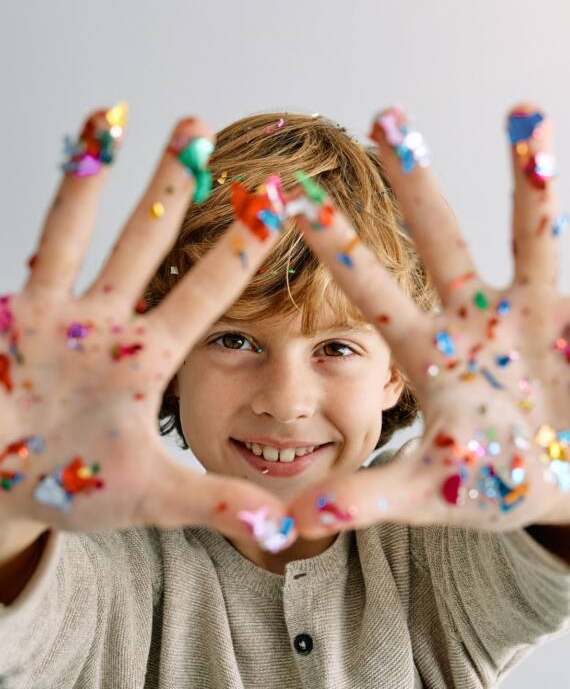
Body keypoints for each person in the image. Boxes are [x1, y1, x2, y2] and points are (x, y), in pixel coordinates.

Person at [0, 101, 568, 688]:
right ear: (169, 363)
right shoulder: (111, 557)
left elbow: (543, 554)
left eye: (337, 349)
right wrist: (11, 513)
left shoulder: (436, 540)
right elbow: (26, 638)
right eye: (234, 340)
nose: (285, 401)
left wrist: (549, 476)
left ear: (396, 372)